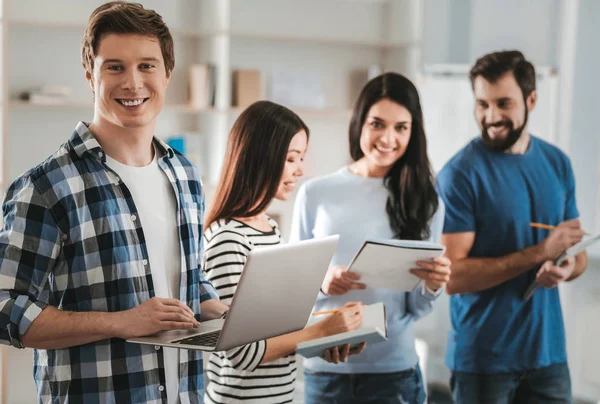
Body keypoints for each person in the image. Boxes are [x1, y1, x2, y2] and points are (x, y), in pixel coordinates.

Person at [0, 2, 229, 403]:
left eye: (146, 66)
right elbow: (4, 308)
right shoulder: (48, 186)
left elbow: (179, 270)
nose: (133, 83)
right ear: (90, 75)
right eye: (115, 67)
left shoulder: (186, 176)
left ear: (167, 74)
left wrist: (216, 306)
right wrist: (121, 322)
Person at [289, 72, 452, 404]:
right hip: (326, 369)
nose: (388, 138)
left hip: (394, 375)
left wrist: (433, 285)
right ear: (360, 123)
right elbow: (291, 287)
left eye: (400, 127)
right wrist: (323, 280)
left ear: (413, 132)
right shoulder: (316, 193)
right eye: (377, 124)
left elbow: (417, 308)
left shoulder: (426, 201)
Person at [437, 50, 588, 403]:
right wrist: (538, 253)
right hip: (484, 362)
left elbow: (576, 255)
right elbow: (453, 277)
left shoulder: (557, 163)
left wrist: (565, 268)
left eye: (503, 103)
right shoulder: (460, 175)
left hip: (549, 356)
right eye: (482, 105)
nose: (491, 116)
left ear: (531, 99)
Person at [202, 100, 364, 403]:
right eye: (291, 159)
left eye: (301, 158)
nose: (300, 170)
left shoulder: (269, 230)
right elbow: (243, 353)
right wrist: (320, 332)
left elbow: (274, 334)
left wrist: (329, 336)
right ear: (262, 158)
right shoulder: (229, 240)